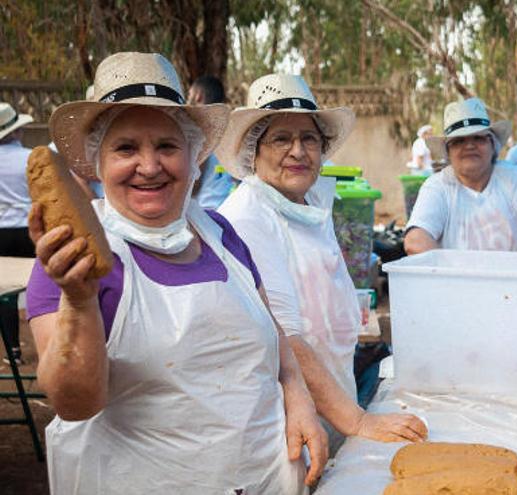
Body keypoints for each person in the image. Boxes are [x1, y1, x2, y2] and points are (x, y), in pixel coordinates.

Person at [27, 52, 325, 493]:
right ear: (97, 163)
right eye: (126, 148)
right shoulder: (72, 258)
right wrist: (78, 300)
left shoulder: (221, 233)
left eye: (167, 146)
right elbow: (75, 403)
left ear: (192, 155)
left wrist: (297, 395)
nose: (149, 166)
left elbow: (273, 333)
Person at [216, 73, 427, 452]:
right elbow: (288, 341)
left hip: (333, 406)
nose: (298, 151)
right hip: (285, 424)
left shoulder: (309, 204)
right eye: (281, 138)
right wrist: (358, 420)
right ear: (253, 149)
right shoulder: (249, 218)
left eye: (308, 138)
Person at [404, 97, 517, 254]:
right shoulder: (438, 185)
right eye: (458, 141)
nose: (470, 146)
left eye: (478, 138)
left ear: (493, 145)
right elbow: (415, 240)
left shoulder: (516, 178)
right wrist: (457, 276)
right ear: (448, 152)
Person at [0, 101, 35, 365]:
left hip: (1, 231)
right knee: (44, 282)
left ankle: (13, 351)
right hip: (29, 227)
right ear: (15, 132)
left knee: (6, 291)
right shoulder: (31, 157)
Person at [189, 75, 236, 209]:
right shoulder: (230, 129)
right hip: (228, 208)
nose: (188, 98)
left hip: (207, 213)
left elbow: (194, 185)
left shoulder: (201, 131)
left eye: (189, 94)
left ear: (198, 96)